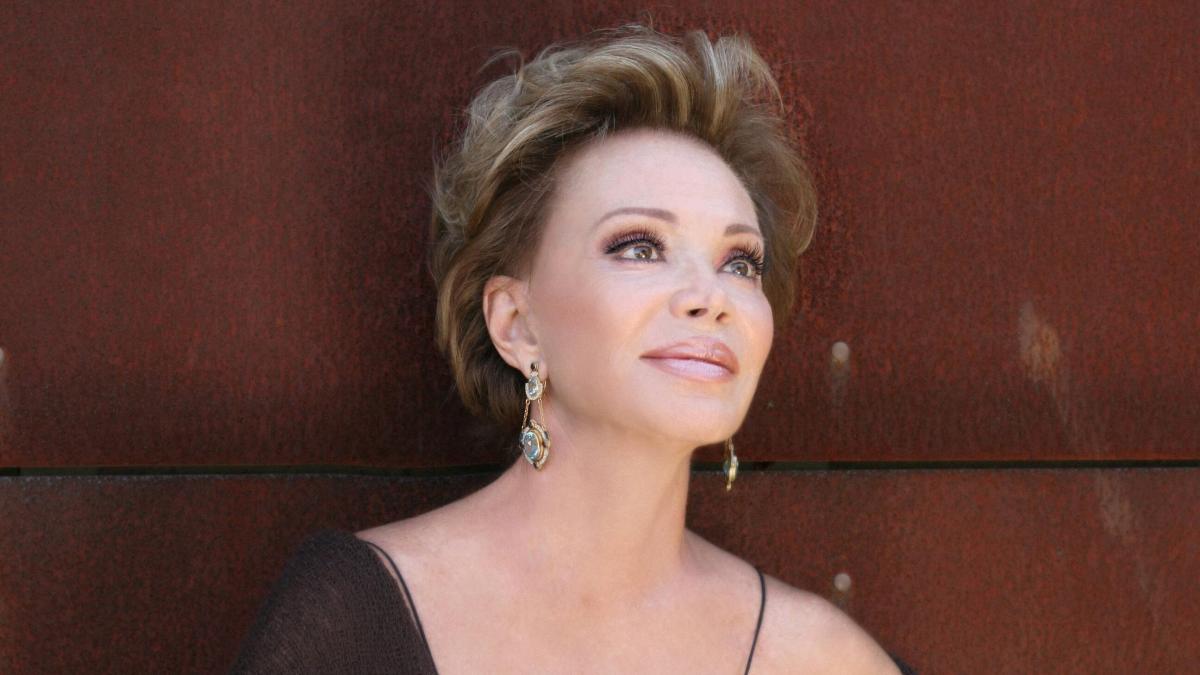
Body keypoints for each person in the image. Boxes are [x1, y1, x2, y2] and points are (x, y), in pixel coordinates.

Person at [232, 24, 914, 674]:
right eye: (639, 247)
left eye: (740, 262)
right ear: (516, 324)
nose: (711, 297)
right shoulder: (358, 619)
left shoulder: (819, 655)